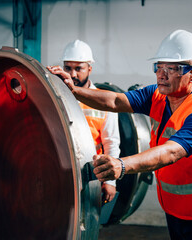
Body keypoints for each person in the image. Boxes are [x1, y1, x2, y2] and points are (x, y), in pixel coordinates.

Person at [48, 30, 192, 240]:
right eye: (159, 67)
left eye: (172, 68)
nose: (161, 74)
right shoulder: (157, 96)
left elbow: (169, 153)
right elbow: (114, 101)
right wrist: (74, 91)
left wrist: (121, 166)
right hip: (177, 209)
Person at [60, 39, 121, 204]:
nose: (73, 74)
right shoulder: (56, 97)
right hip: (60, 170)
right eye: (68, 68)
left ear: (90, 69)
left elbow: (111, 144)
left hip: (91, 174)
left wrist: (109, 182)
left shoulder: (103, 101)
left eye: (79, 68)